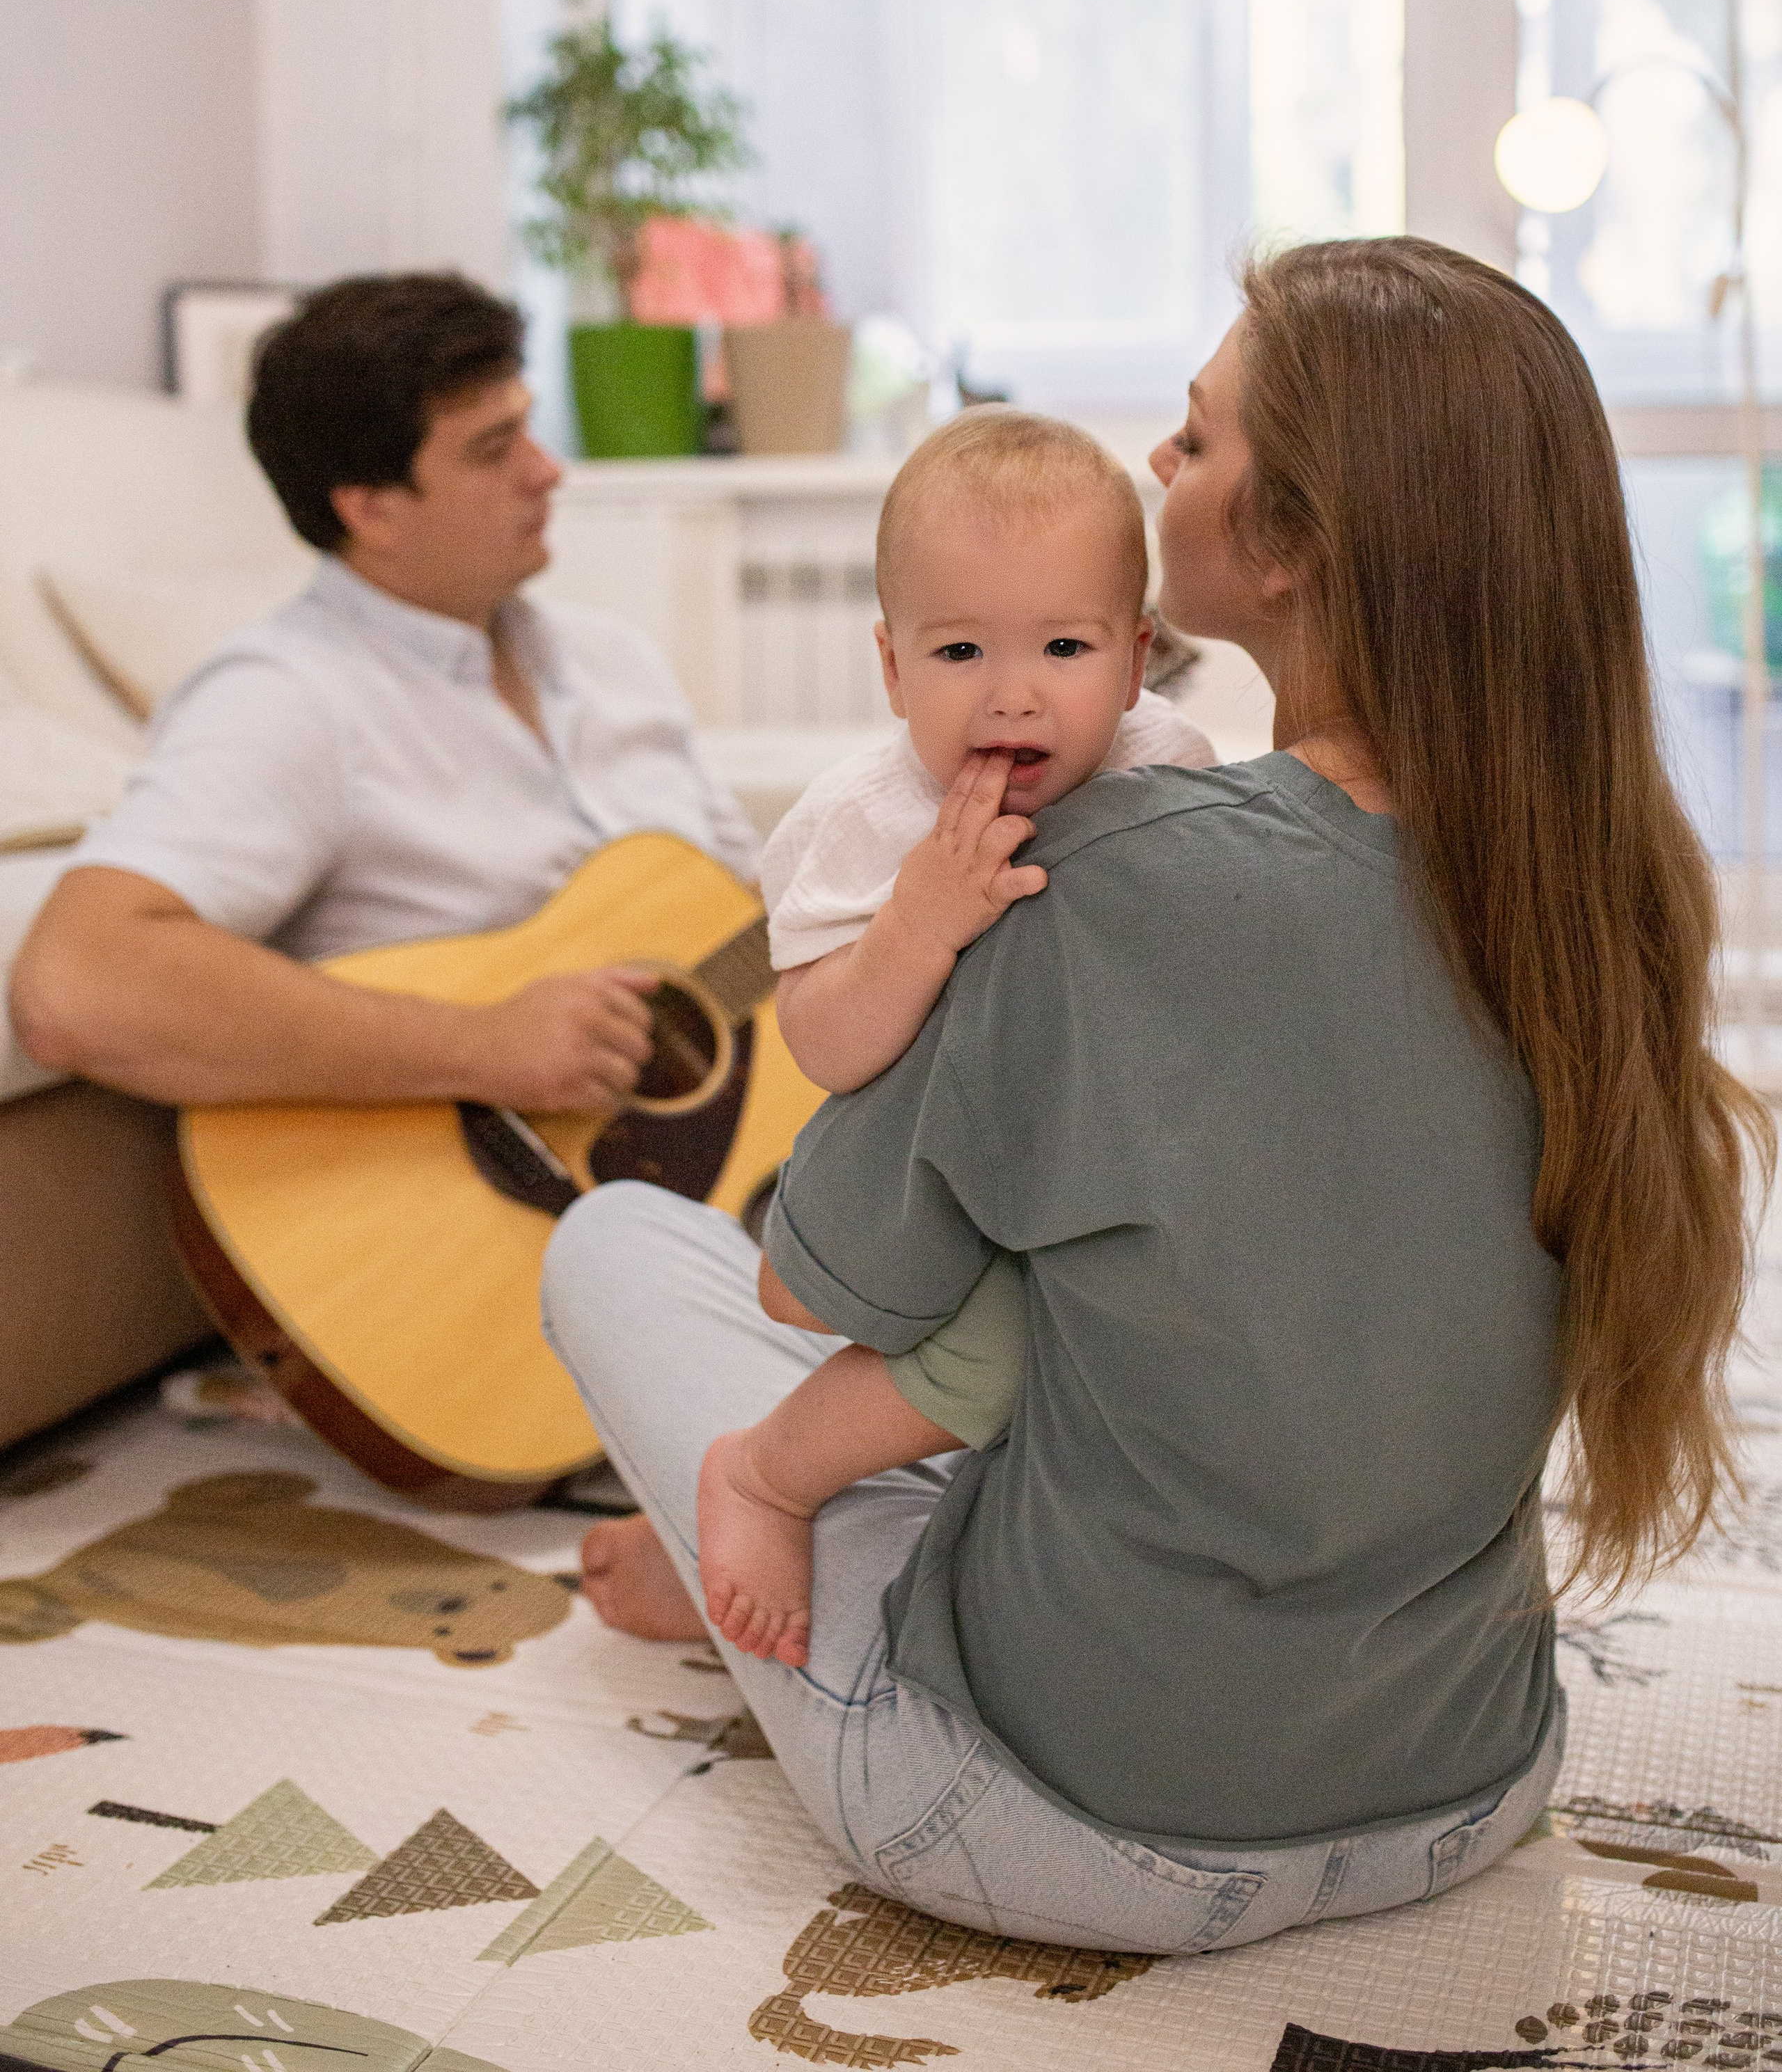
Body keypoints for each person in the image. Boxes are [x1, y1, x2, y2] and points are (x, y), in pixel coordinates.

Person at [539, 237, 1766, 1957]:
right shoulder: (1599, 886)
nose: (1154, 461)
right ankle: (751, 1564)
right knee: (1092, 1315)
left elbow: (811, 1290)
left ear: (1289, 542)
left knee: (618, 1241)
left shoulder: (1103, 871)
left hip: (1073, 1820)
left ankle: (735, 1568)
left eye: (1193, 436)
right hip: (1465, 1781)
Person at [697, 411, 1215, 1666]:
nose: (1013, 692)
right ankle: (765, 1474)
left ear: (1137, 659)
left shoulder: (1169, 766)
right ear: (892, 668)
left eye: (1066, 647)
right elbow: (824, 1048)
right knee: (988, 1362)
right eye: (961, 649)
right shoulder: (867, 822)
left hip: (1093, 1161)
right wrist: (915, 929)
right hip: (927, 1177)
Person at [10, 272, 757, 1138]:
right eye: (493, 449)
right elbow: (76, 983)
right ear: (371, 510)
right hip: (477, 1187)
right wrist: (480, 1045)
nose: (546, 471)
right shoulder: (286, 697)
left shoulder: (612, 660)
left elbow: (750, 918)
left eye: (528, 427)